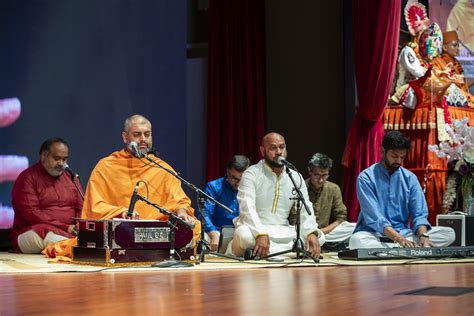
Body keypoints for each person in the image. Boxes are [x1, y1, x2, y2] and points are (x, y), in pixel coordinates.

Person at [43, 114, 199, 259]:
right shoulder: (106, 166)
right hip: (122, 228)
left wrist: (182, 211)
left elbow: (178, 199)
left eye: (147, 134)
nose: (143, 139)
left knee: (195, 227)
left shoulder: (162, 167)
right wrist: (122, 212)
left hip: (154, 229)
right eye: (137, 135)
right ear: (125, 137)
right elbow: (95, 207)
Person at [349, 131, 455, 249]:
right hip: (374, 234)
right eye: (394, 156)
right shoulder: (366, 177)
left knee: (449, 233)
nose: (398, 161)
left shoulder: (410, 178)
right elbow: (375, 218)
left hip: (404, 234)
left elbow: (419, 215)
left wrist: (423, 237)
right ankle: (402, 247)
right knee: (357, 240)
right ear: (383, 151)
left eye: (402, 157)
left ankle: (397, 249)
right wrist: (399, 239)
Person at [226, 132, 325, 259]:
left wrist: (311, 233)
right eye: (273, 148)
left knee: (320, 236)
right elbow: (247, 208)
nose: (279, 152)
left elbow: (306, 209)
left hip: (283, 231)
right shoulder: (252, 174)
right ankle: (294, 252)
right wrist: (260, 233)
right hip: (256, 229)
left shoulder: (295, 176)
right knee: (243, 235)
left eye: (282, 147)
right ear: (263, 151)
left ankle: (266, 253)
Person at [11, 137, 83, 253]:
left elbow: (81, 207)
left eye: (65, 159)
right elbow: (32, 214)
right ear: (44, 156)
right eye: (56, 158)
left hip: (69, 232)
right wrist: (65, 227)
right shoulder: (27, 178)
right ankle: (76, 247)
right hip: (30, 232)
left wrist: (79, 225)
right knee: (42, 232)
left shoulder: (72, 177)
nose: (61, 164)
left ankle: (75, 245)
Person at [290, 153, 355, 248]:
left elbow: (341, 218)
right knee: (289, 231)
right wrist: (311, 233)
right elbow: (294, 220)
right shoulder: (300, 188)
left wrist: (320, 233)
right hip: (305, 233)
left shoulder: (333, 188)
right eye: (317, 175)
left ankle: (319, 241)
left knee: (354, 227)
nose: (320, 180)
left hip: (326, 233)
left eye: (324, 175)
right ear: (310, 171)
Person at [198, 155, 250, 252]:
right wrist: (213, 233)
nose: (238, 184)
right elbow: (204, 213)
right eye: (234, 178)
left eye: (242, 180)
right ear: (227, 172)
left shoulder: (251, 189)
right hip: (217, 233)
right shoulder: (213, 187)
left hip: (240, 233)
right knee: (203, 239)